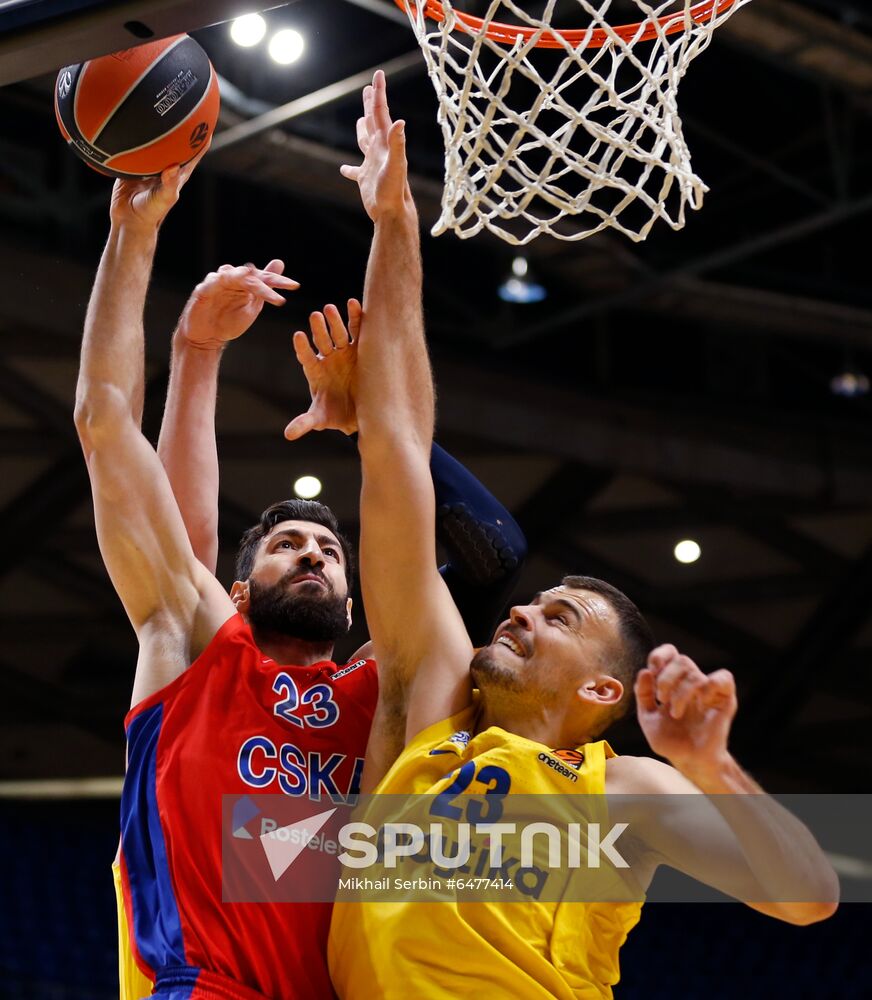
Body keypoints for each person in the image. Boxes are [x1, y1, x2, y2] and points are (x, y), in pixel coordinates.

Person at [266, 71, 839, 998]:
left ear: (605, 686)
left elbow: (808, 898)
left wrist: (709, 764)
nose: (525, 610)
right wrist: (394, 224)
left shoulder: (619, 793)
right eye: (536, 602)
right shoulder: (433, 717)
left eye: (561, 616)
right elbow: (404, 461)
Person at [76, 151, 525, 1000]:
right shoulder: (198, 651)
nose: (314, 553)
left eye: (329, 552)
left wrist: (381, 416)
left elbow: (488, 541)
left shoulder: (386, 691)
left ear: (357, 603)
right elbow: (104, 424)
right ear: (237, 597)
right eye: (286, 546)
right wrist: (143, 252)